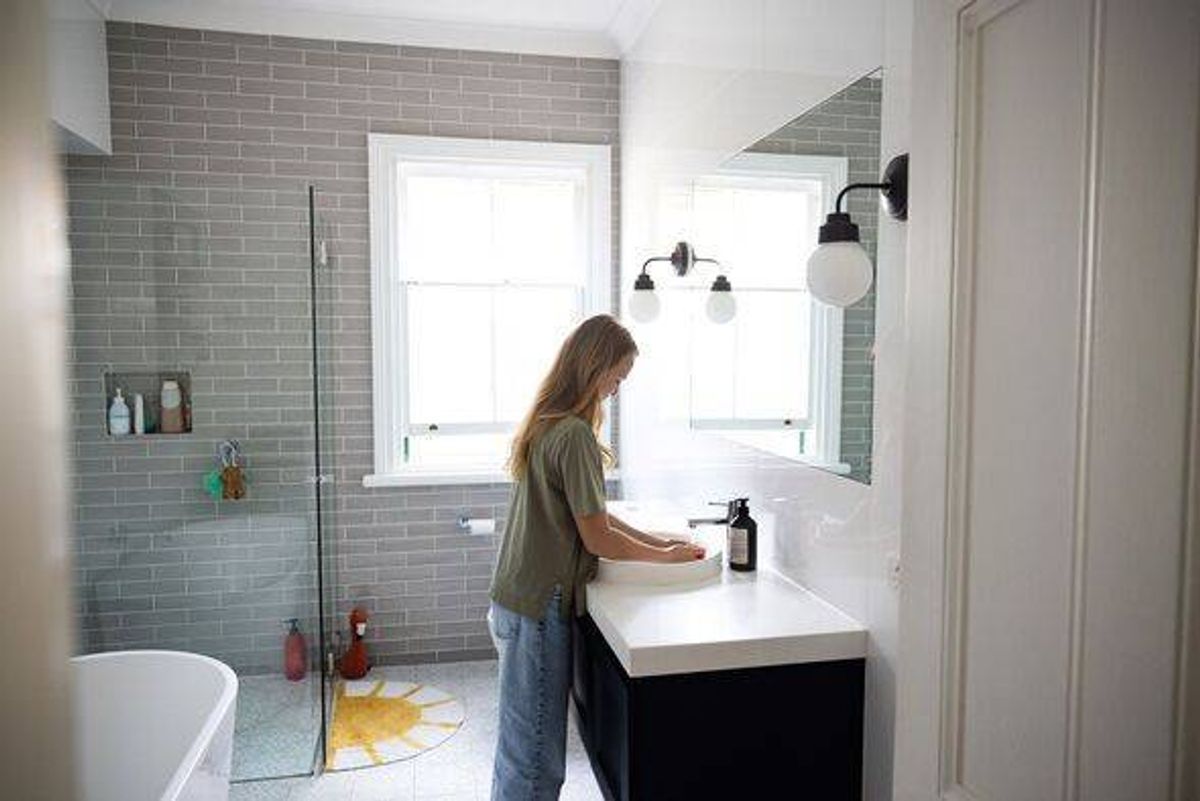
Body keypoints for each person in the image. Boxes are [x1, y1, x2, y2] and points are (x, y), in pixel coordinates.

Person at [488, 314, 705, 800]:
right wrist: (667, 560)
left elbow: (595, 519)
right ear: (596, 365)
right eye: (617, 376)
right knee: (537, 761)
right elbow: (599, 540)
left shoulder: (549, 423)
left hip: (514, 601)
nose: (616, 388)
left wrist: (657, 542)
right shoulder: (576, 437)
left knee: (518, 749)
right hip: (538, 609)